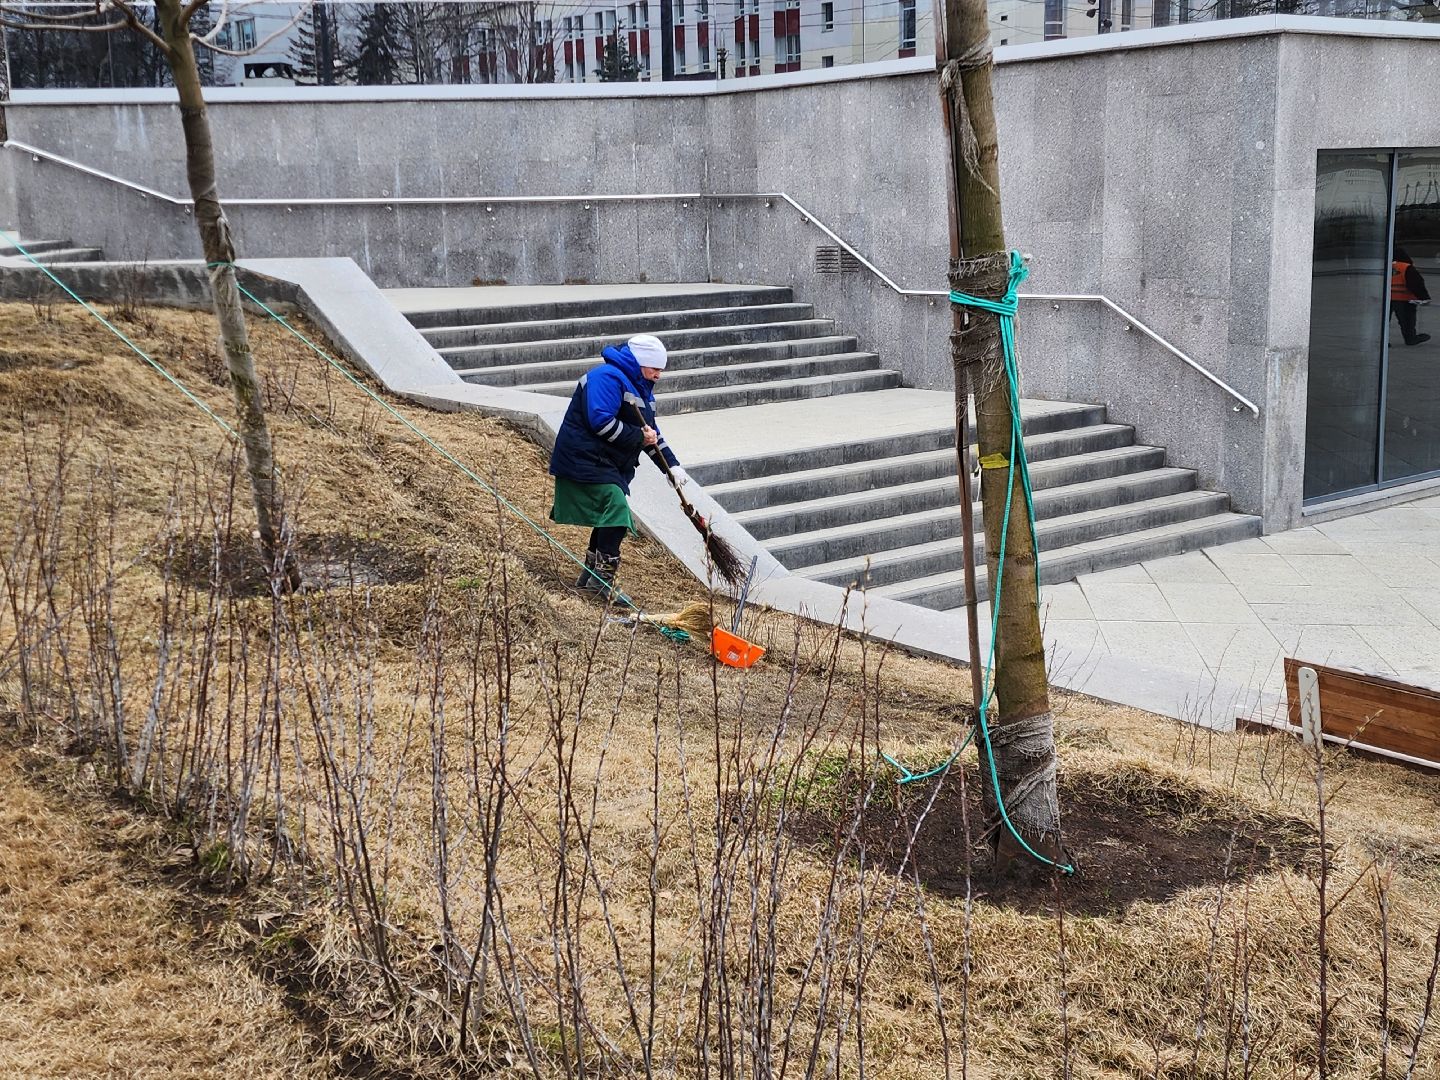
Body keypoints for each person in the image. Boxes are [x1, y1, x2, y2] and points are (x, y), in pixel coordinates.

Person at [548, 333, 689, 596]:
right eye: (655, 368)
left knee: (608, 513)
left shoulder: (640, 388)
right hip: (584, 459)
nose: (659, 375)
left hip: (607, 463)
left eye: (661, 369)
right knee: (616, 510)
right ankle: (602, 581)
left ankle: (590, 577)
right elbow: (600, 421)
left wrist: (671, 466)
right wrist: (638, 436)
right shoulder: (606, 377)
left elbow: (651, 434)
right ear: (640, 363)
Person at [1391, 246, 1432, 347]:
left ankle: (1383, 341)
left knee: (1384, 321)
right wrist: (1424, 297)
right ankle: (1410, 339)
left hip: (1388, 299)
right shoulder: (1406, 267)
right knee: (1407, 322)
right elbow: (1416, 284)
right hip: (1404, 299)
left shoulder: (1388, 266)